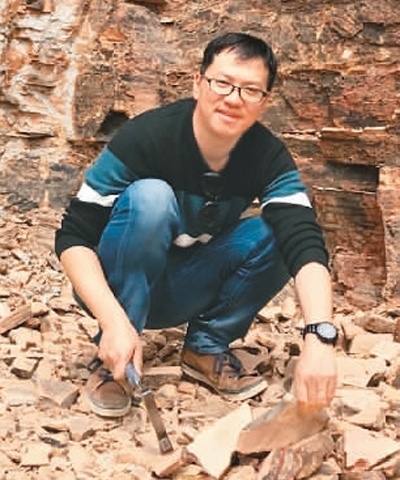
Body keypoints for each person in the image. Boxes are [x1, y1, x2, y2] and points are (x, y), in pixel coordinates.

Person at [55, 32, 337, 418]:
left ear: (264, 102)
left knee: (279, 231)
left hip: (186, 287)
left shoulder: (267, 155)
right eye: (222, 83)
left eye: (250, 90)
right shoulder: (147, 137)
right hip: (118, 285)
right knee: (151, 197)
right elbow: (74, 235)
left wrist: (320, 337)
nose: (233, 98)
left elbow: (304, 242)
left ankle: (205, 347)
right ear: (198, 83)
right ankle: (115, 357)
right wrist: (112, 319)